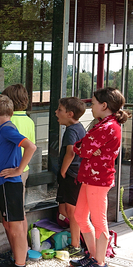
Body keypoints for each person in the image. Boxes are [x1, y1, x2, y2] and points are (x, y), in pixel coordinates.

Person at [70, 87, 128, 267]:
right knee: (80, 216)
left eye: (93, 103)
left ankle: (100, 262)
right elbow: (83, 147)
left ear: (104, 105)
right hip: (90, 177)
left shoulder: (107, 126)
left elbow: (82, 148)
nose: (91, 107)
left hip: (98, 179)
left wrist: (85, 148)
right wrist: (85, 148)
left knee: (98, 220)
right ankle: (94, 255)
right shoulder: (105, 124)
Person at [0, 94, 37, 267]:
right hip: (6, 185)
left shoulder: (8, 129)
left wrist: (18, 170)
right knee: (10, 226)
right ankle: (17, 263)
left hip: (11, 185)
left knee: (16, 229)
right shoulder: (7, 128)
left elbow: (30, 146)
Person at [55, 97, 87, 257]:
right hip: (76, 174)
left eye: (60, 110)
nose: (56, 112)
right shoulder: (79, 128)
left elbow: (71, 152)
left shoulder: (71, 131)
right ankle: (80, 235)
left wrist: (63, 170)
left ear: (70, 114)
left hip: (72, 174)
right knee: (64, 209)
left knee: (72, 211)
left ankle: (76, 244)